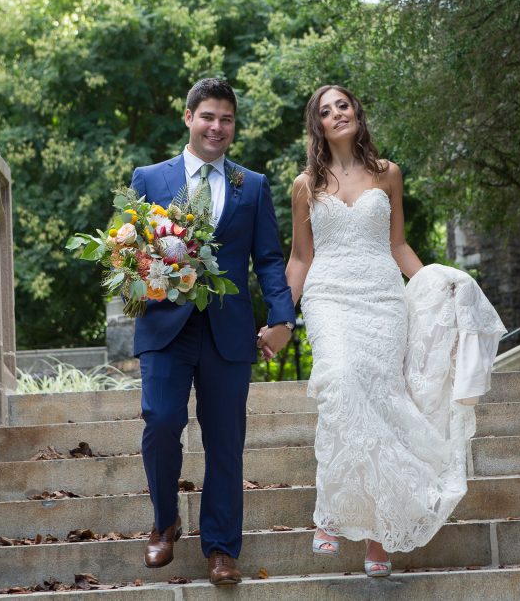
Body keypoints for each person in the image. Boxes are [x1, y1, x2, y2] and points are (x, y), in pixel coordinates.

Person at [259, 85, 500, 578]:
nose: (336, 114)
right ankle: (329, 513)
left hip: (382, 299)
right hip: (329, 297)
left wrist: (436, 281)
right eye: (325, 111)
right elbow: (301, 257)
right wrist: (282, 317)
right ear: (318, 125)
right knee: (341, 382)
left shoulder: (388, 173)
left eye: (342, 105)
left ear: (355, 112)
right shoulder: (305, 184)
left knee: (382, 402)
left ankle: (379, 535)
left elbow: (397, 245)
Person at [130, 77, 295, 586]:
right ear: (188, 117)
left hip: (227, 329)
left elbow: (268, 258)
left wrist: (284, 318)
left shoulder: (253, 185)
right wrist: (144, 280)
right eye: (208, 117)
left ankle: (222, 548)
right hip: (166, 328)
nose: (216, 127)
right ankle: (164, 521)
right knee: (161, 421)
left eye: (226, 119)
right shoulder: (150, 179)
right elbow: (132, 250)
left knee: (226, 441)